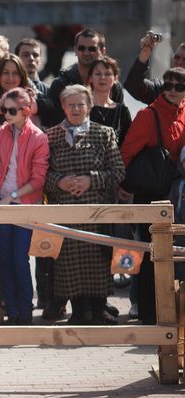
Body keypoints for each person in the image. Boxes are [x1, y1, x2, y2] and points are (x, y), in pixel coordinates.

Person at [45, 85, 125, 324]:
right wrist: (60, 181)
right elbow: (43, 173)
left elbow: (118, 172)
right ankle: (79, 312)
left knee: (97, 261)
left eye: (81, 104)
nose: (76, 109)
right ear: (63, 107)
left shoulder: (104, 133)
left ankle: (99, 309)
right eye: (71, 105)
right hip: (66, 212)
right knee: (70, 264)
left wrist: (91, 180)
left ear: (89, 106)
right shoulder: (51, 136)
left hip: (96, 210)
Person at [120, 68, 185, 325]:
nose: (171, 89)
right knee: (150, 255)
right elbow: (127, 151)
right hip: (150, 195)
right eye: (167, 84)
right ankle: (148, 314)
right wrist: (121, 185)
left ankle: (171, 313)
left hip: (175, 195)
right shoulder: (148, 115)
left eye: (179, 86)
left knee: (174, 256)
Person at [0, 88, 48, 325]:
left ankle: (25, 311)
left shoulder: (38, 137)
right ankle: (12, 309)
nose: (7, 115)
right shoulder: (2, 131)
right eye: (4, 110)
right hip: (2, 201)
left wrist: (10, 195)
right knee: (4, 259)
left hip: (23, 204)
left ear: (26, 111)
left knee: (20, 259)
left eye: (12, 111)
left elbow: (38, 180)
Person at [48, 28, 123, 124]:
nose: (86, 53)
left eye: (92, 49)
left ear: (103, 51)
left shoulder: (113, 86)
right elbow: (52, 123)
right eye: (81, 48)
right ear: (75, 50)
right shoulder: (60, 84)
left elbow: (120, 122)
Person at [124, 31, 185, 105]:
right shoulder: (163, 90)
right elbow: (133, 85)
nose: (179, 62)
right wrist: (145, 53)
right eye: (177, 57)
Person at [88, 57, 131, 145]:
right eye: (98, 74)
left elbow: (129, 143)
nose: (102, 77)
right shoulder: (80, 106)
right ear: (90, 78)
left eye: (108, 74)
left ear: (115, 78)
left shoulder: (122, 111)